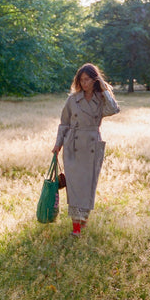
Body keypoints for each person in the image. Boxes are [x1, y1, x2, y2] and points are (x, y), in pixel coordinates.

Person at [52, 63, 120, 236]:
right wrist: (58, 144)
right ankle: (76, 228)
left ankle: (83, 221)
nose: (84, 83)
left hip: (92, 145)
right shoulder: (72, 100)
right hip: (73, 145)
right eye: (81, 80)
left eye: (87, 79)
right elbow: (64, 123)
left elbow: (113, 109)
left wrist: (104, 89)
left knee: (88, 186)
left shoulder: (101, 99)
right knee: (74, 186)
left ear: (94, 80)